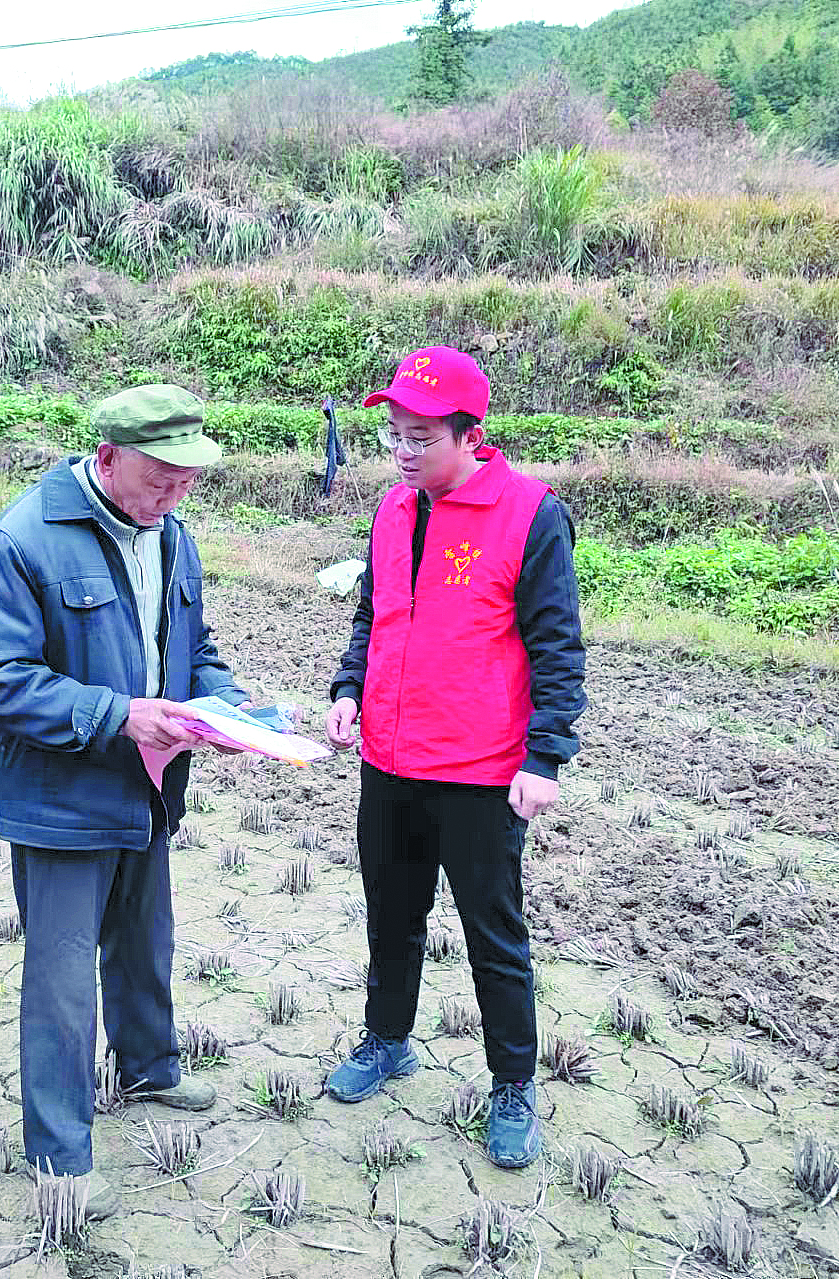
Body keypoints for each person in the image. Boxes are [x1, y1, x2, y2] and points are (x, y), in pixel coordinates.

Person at [0, 385, 253, 1219]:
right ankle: (59, 1157)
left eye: (188, 479)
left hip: (147, 788)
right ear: (107, 460)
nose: (176, 495)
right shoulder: (27, 539)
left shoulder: (174, 536)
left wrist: (227, 706)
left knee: (144, 941)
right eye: (161, 478)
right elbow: (0, 679)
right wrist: (120, 715)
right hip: (61, 798)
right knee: (62, 978)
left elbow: (191, 647)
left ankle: (150, 1067)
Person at [322, 346, 586, 1169]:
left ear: (472, 435)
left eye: (420, 436)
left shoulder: (531, 515)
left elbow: (557, 648)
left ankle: (513, 1083)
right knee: (391, 918)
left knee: (492, 934)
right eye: (393, 434)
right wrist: (347, 686)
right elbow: (374, 613)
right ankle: (387, 1039)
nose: (403, 451)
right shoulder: (393, 510)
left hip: (479, 772)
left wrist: (545, 758)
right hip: (390, 761)